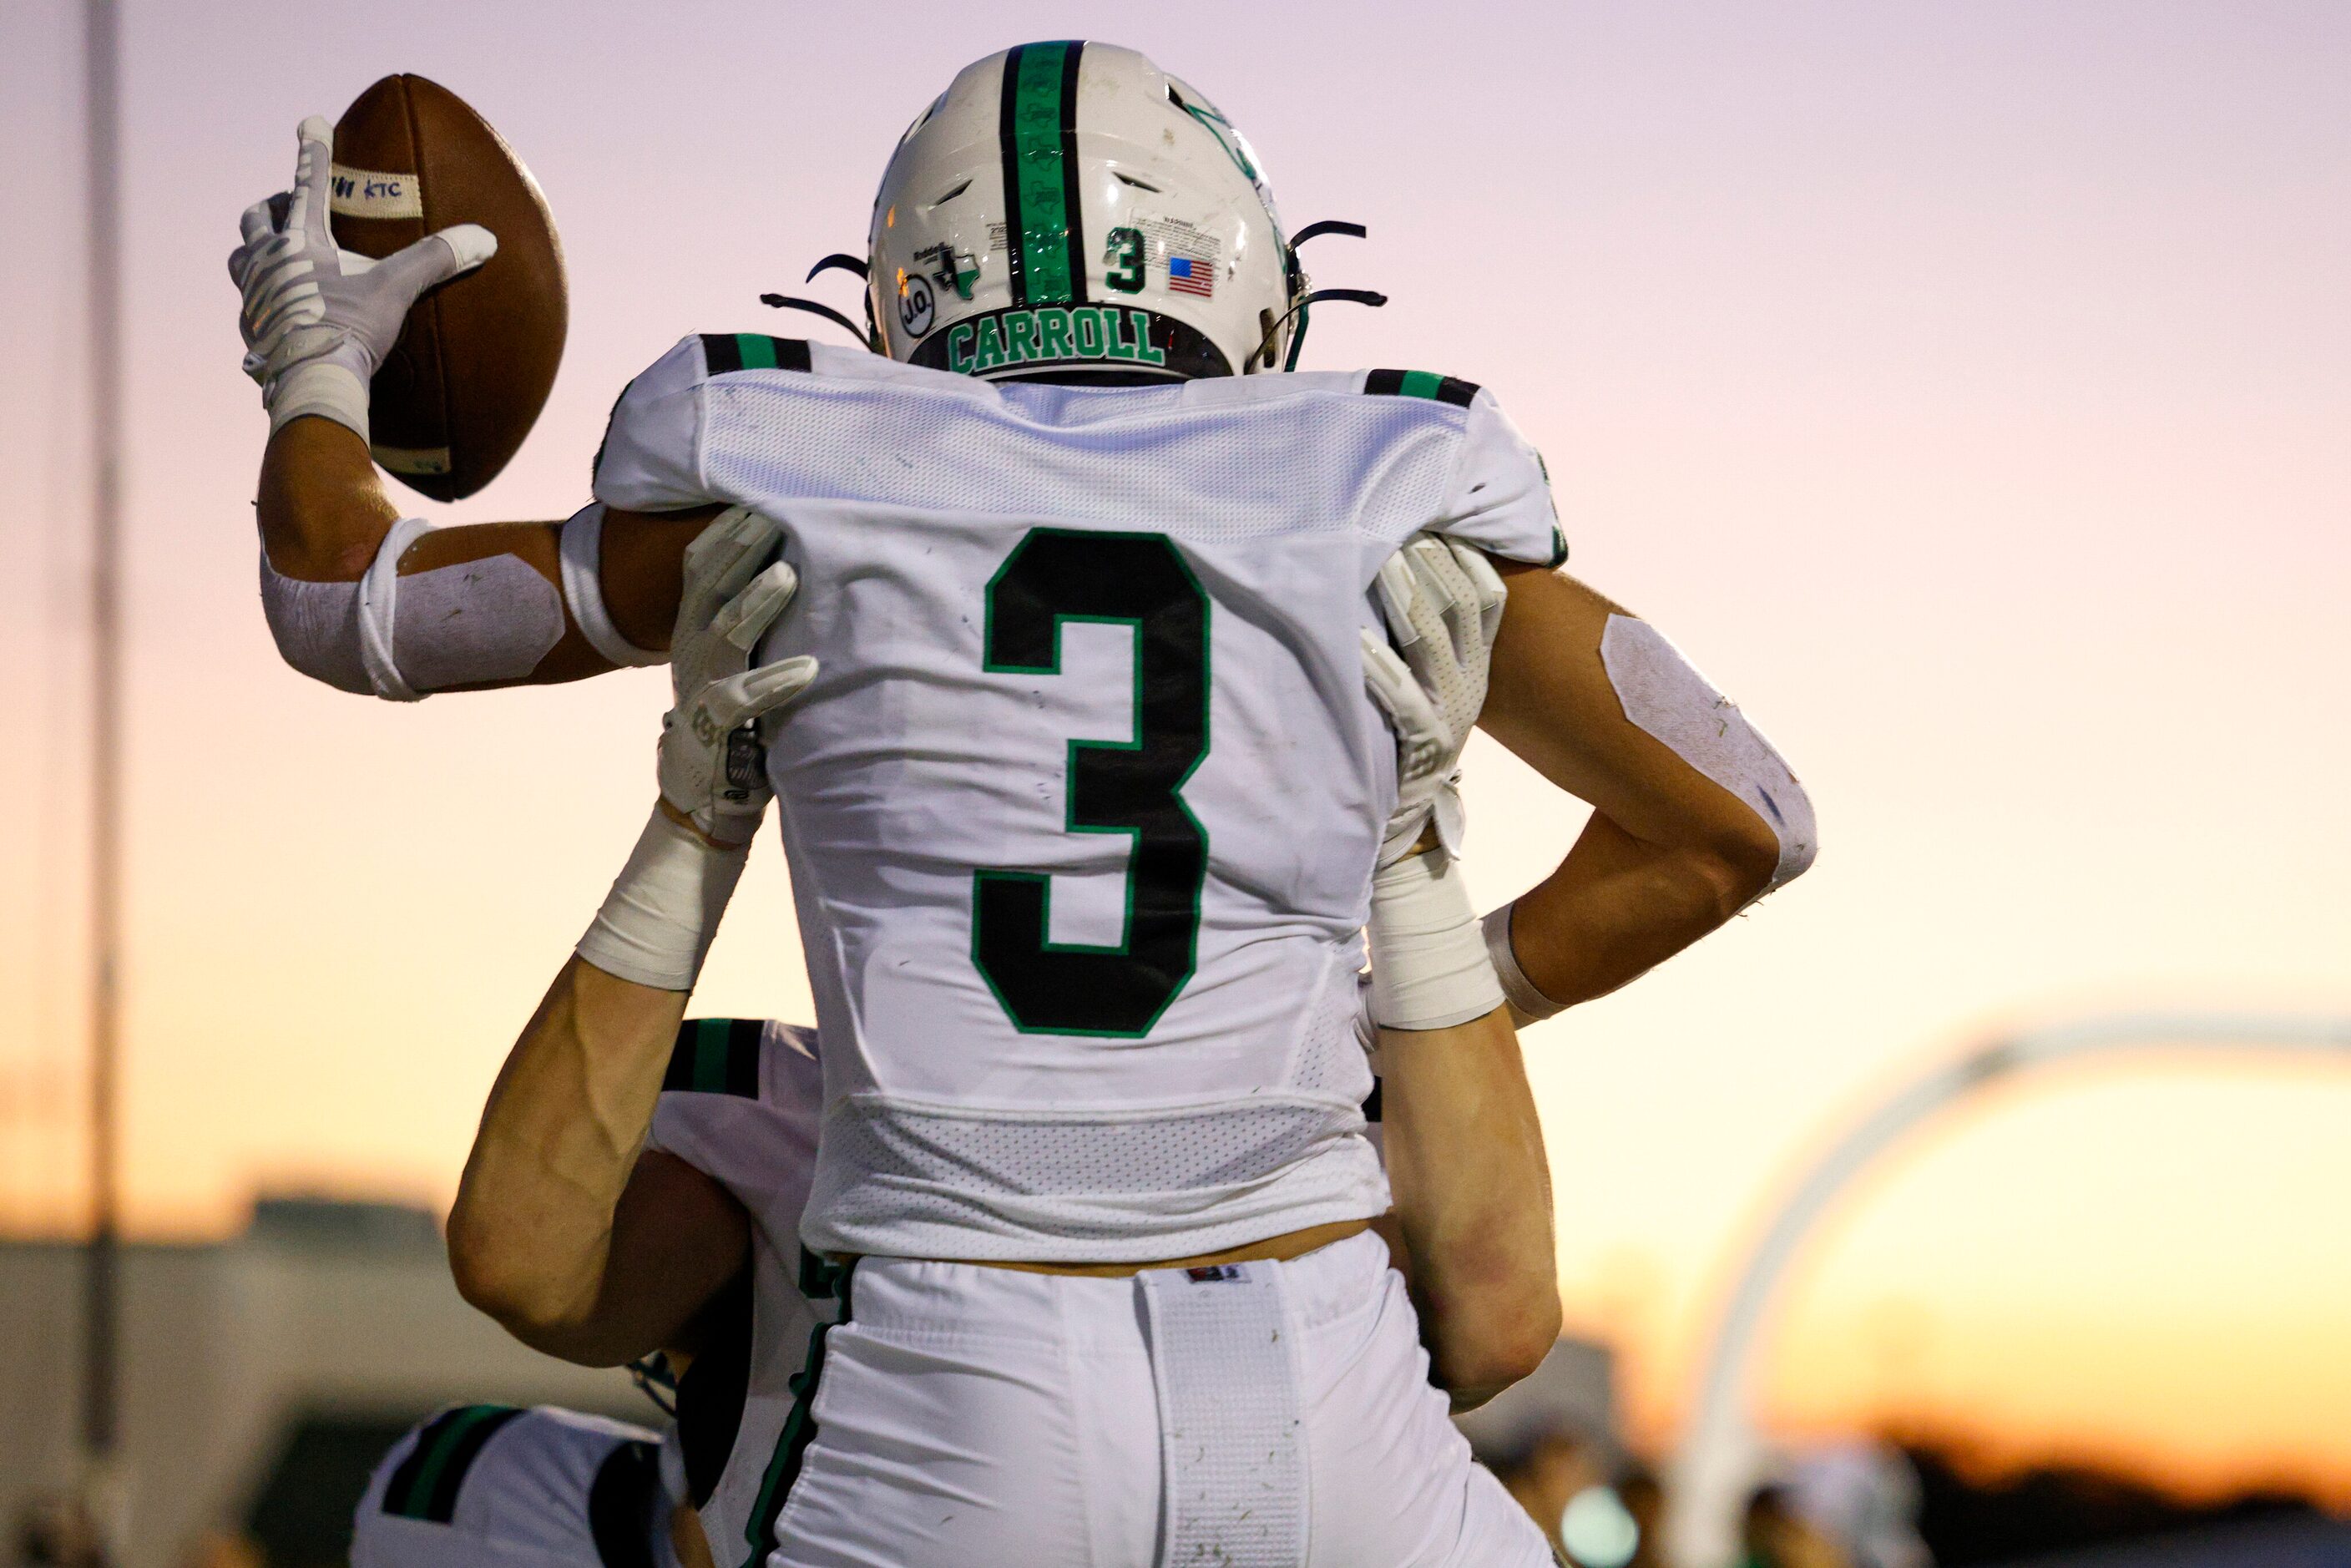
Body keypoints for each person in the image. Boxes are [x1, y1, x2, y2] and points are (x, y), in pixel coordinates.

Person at [230, 40, 1814, 1568]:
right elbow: (1745, 818)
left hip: (947, 1398)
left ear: (907, 288)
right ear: (1237, 265)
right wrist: (1373, 982)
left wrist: (320, 368)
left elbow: (346, 603)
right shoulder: (1387, 483)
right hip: (1325, 1384)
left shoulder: (784, 462)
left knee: (466, 1498)